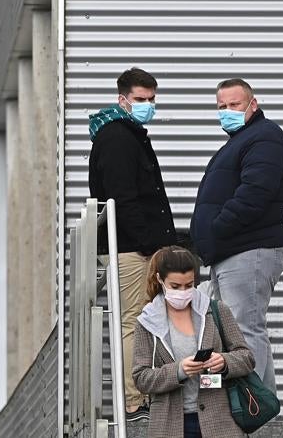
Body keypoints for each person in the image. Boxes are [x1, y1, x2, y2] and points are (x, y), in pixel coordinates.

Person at [190, 78, 283, 393]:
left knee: (244, 331)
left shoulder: (264, 137)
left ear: (253, 104)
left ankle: (251, 407)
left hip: (248, 249)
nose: (227, 112)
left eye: (235, 105)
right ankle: (261, 404)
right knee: (237, 331)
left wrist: (217, 227)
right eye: (222, 107)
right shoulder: (242, 140)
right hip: (232, 250)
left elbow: (255, 193)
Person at [89, 67, 178, 421]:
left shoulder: (128, 134)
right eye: (141, 99)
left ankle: (139, 396)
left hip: (136, 246)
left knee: (141, 320)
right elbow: (122, 197)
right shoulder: (117, 137)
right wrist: (147, 244)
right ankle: (133, 400)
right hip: (130, 249)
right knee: (133, 322)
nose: (147, 106)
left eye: (152, 99)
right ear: (122, 99)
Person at [132, 246, 254, 438]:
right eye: (175, 286)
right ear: (160, 280)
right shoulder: (147, 322)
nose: (183, 291)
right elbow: (141, 378)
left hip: (220, 422)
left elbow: (246, 357)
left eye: (189, 285)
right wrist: (179, 371)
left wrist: (224, 362)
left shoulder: (216, 310)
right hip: (169, 424)